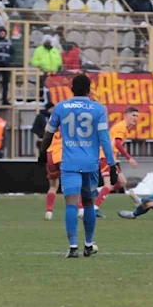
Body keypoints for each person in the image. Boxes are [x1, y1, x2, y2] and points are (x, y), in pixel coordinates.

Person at [41, 74, 116, 257]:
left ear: (72, 89)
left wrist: (42, 153)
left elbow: (48, 134)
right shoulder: (98, 109)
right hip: (90, 164)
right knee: (89, 203)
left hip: (70, 164)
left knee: (71, 205)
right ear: (89, 90)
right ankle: (89, 244)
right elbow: (105, 139)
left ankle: (73, 247)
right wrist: (112, 165)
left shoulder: (61, 107)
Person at [92, 106, 140, 217]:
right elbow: (118, 144)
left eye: (137, 116)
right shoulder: (121, 127)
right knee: (109, 183)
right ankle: (94, 208)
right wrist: (129, 158)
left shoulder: (124, 127)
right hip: (106, 157)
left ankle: (100, 191)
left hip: (110, 158)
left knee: (122, 182)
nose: (135, 118)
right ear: (126, 116)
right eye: (133, 115)